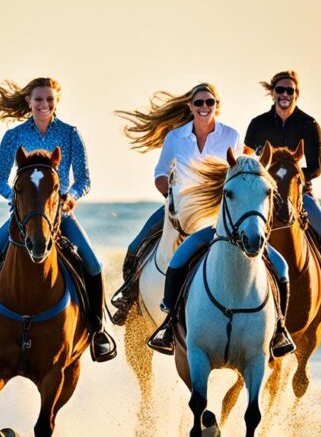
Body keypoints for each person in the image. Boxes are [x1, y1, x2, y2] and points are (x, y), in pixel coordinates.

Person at [0, 77, 117, 362]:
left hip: (60, 216)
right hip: (21, 220)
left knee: (93, 264)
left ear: (56, 102)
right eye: (38, 100)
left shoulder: (70, 134)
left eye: (49, 100)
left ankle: (98, 332)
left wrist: (71, 197)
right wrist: (15, 197)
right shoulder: (14, 137)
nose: (44, 105)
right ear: (29, 103)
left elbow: (84, 179)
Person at [116, 83, 293, 356]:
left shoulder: (231, 137)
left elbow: (247, 175)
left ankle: (278, 326)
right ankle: (128, 300)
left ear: (217, 106)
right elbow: (161, 172)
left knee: (275, 262)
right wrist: (169, 194)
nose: (204, 108)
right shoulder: (176, 138)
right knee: (135, 246)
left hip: (217, 214)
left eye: (209, 103)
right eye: (198, 103)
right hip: (177, 207)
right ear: (190, 106)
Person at [245, 70, 321, 327]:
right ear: (272, 93)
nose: (285, 95)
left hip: (300, 193)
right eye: (280, 90)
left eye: (290, 91)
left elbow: (316, 168)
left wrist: (290, 178)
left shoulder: (309, 125)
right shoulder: (258, 124)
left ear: (297, 94)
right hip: (264, 194)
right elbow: (248, 159)